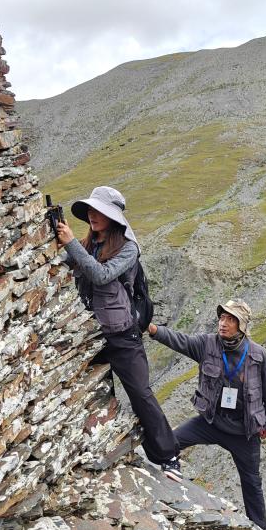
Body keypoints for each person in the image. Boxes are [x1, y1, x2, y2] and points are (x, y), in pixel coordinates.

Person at [55, 185, 183, 481]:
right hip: (92, 335)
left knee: (140, 393)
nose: (92, 215)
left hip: (123, 335)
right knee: (98, 391)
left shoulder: (128, 248)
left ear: (113, 217)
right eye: (90, 210)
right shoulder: (88, 244)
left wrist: (71, 243)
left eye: (98, 211)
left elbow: (101, 275)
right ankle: (106, 448)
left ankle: (168, 456)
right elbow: (64, 266)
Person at [147, 299, 266, 530]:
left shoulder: (258, 355)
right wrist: (153, 329)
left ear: (241, 325)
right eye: (222, 318)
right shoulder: (206, 344)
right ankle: (168, 471)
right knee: (168, 442)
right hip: (210, 423)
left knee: (252, 483)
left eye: (230, 319)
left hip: (243, 433)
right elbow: (180, 340)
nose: (223, 323)